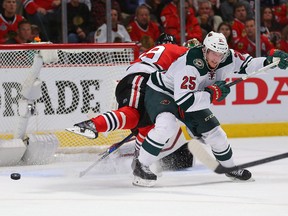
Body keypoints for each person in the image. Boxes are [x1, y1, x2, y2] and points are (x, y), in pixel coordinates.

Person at [132, 31, 288, 187]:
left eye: (220, 54)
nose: (216, 58)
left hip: (193, 95)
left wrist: (269, 61)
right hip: (162, 91)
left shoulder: (228, 57)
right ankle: (141, 165)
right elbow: (185, 101)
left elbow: (248, 64)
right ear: (204, 50)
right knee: (167, 126)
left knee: (217, 135)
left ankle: (229, 167)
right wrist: (213, 93)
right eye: (213, 53)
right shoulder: (191, 63)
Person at [67, 33, 197, 171]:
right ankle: (95, 125)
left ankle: (138, 164)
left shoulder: (157, 55)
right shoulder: (178, 54)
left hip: (141, 84)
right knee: (134, 116)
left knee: (146, 126)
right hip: (141, 81)